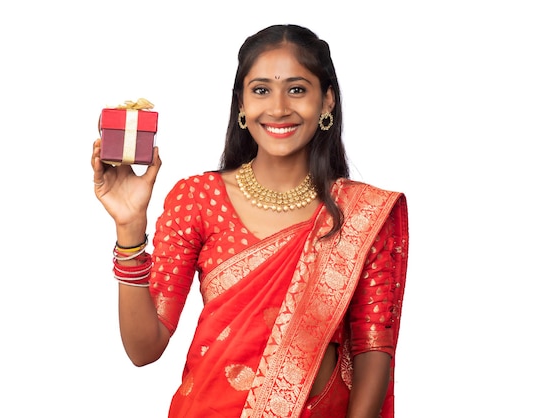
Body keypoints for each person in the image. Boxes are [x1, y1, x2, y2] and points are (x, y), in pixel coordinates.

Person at [91, 24, 409, 418]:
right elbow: (143, 348)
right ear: (241, 103)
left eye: (297, 89)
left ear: (327, 101)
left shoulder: (361, 214)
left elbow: (372, 348)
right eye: (261, 90)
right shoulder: (198, 199)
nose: (277, 108)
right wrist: (129, 229)